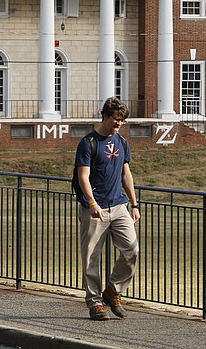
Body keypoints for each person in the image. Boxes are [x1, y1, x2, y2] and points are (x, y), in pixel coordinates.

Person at [75, 97, 140, 320]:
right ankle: (94, 303)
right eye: (116, 119)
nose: (119, 123)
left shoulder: (121, 142)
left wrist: (134, 204)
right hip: (95, 208)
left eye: (122, 120)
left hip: (119, 205)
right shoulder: (88, 142)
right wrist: (92, 203)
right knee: (91, 257)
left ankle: (113, 290)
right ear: (105, 116)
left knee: (132, 250)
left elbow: (126, 174)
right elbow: (83, 176)